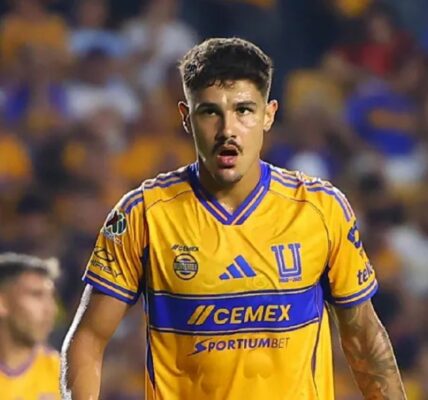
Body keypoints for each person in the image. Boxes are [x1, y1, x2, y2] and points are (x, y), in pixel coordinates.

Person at [61, 37, 406, 399]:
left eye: (244, 110)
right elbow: (88, 338)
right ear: (186, 117)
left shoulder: (320, 208)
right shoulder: (143, 214)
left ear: (269, 114)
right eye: (210, 112)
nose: (227, 130)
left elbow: (363, 337)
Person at [0, 252, 60, 399]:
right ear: (2, 302)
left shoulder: (62, 375)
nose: (50, 309)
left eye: (51, 297)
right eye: (36, 295)